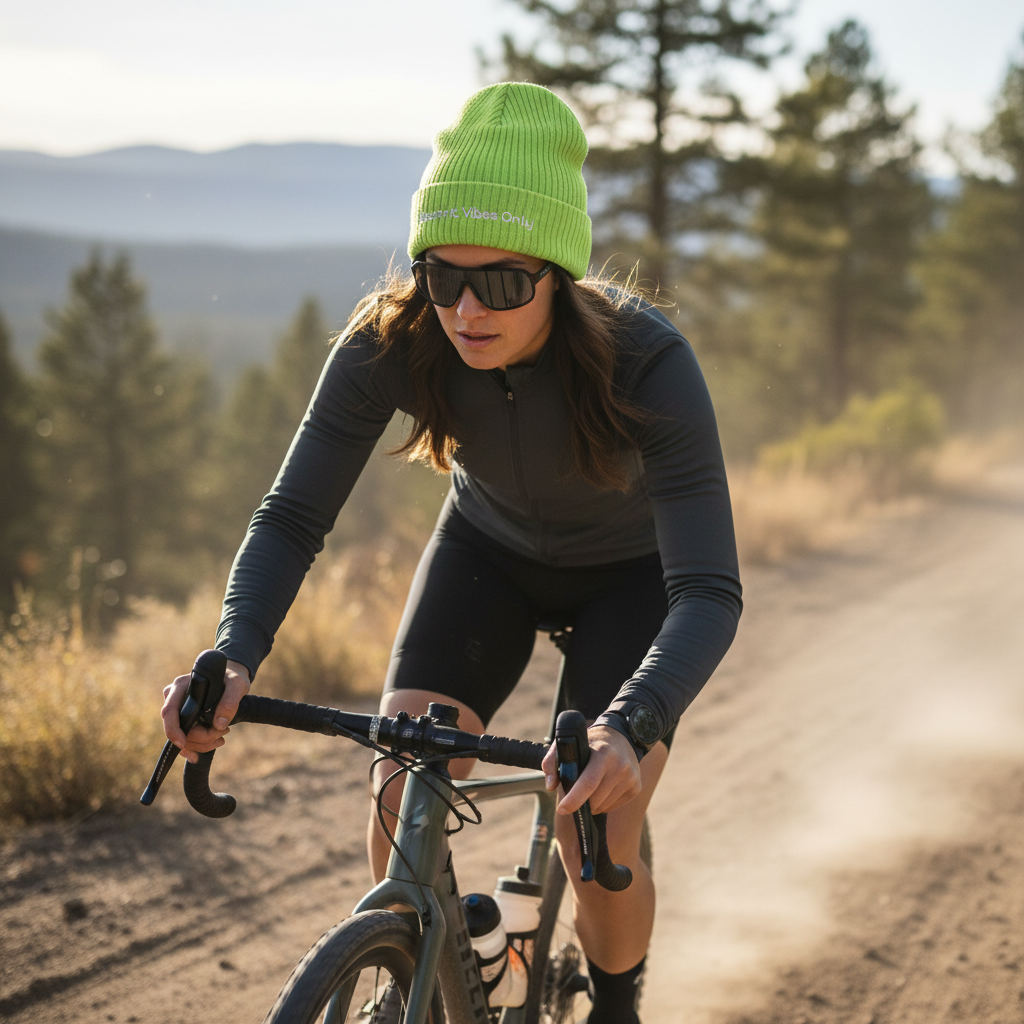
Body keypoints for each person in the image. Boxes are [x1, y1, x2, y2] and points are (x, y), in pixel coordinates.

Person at [161, 82, 742, 1024]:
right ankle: (441, 976)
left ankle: (618, 1005)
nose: (467, 309)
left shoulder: (647, 360)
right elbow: (291, 515)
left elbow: (710, 590)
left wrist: (628, 726)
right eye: (443, 275)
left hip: (631, 582)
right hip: (490, 555)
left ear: (556, 270)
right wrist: (233, 652)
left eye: (503, 282)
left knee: (594, 817)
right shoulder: (392, 341)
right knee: (402, 780)